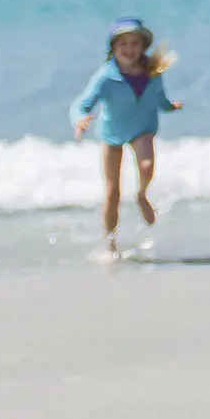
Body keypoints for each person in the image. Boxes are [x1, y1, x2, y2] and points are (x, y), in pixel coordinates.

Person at [72, 19, 182, 258]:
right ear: (113, 47)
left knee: (147, 165)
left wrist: (170, 106)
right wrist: (79, 119)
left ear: (143, 46)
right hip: (111, 132)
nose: (129, 48)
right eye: (123, 44)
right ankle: (110, 246)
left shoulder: (154, 72)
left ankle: (142, 194)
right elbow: (82, 104)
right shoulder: (105, 76)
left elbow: (160, 98)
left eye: (134, 43)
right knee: (112, 193)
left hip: (142, 127)